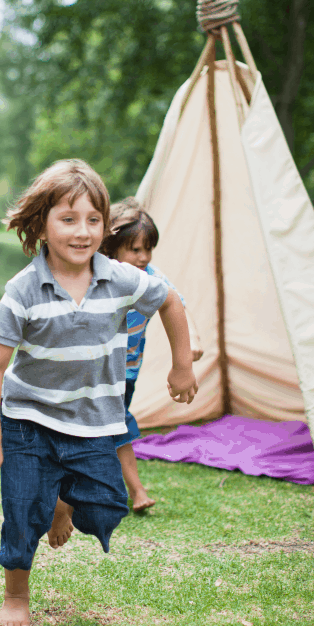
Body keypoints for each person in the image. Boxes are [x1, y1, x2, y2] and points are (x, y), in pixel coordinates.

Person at [0, 159, 198, 626]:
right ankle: (16, 595)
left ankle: (62, 500)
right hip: (28, 419)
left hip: (95, 422)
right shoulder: (24, 289)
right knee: (21, 511)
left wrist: (181, 365)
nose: (83, 231)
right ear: (42, 225)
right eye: (68, 219)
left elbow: (170, 301)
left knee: (108, 505)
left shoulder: (120, 277)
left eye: (94, 219)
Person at [100, 197, 203, 511]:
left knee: (112, 429)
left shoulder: (152, 278)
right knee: (117, 428)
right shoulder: (99, 275)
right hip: (96, 373)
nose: (144, 257)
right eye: (135, 249)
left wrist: (191, 344)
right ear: (111, 247)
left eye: (148, 249)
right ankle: (136, 490)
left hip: (127, 373)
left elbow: (177, 304)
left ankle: (106, 491)